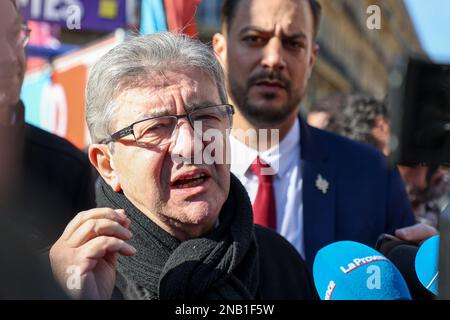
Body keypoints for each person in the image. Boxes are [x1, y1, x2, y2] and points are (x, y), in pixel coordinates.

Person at [49, 32, 316, 300]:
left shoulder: (282, 263)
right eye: (156, 128)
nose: (190, 145)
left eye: (206, 117)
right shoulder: (69, 277)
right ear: (107, 165)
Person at [212, 0, 435, 265]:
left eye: (293, 43)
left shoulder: (373, 175)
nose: (273, 59)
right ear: (220, 50)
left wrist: (429, 269)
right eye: (254, 39)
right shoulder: (181, 169)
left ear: (311, 59)